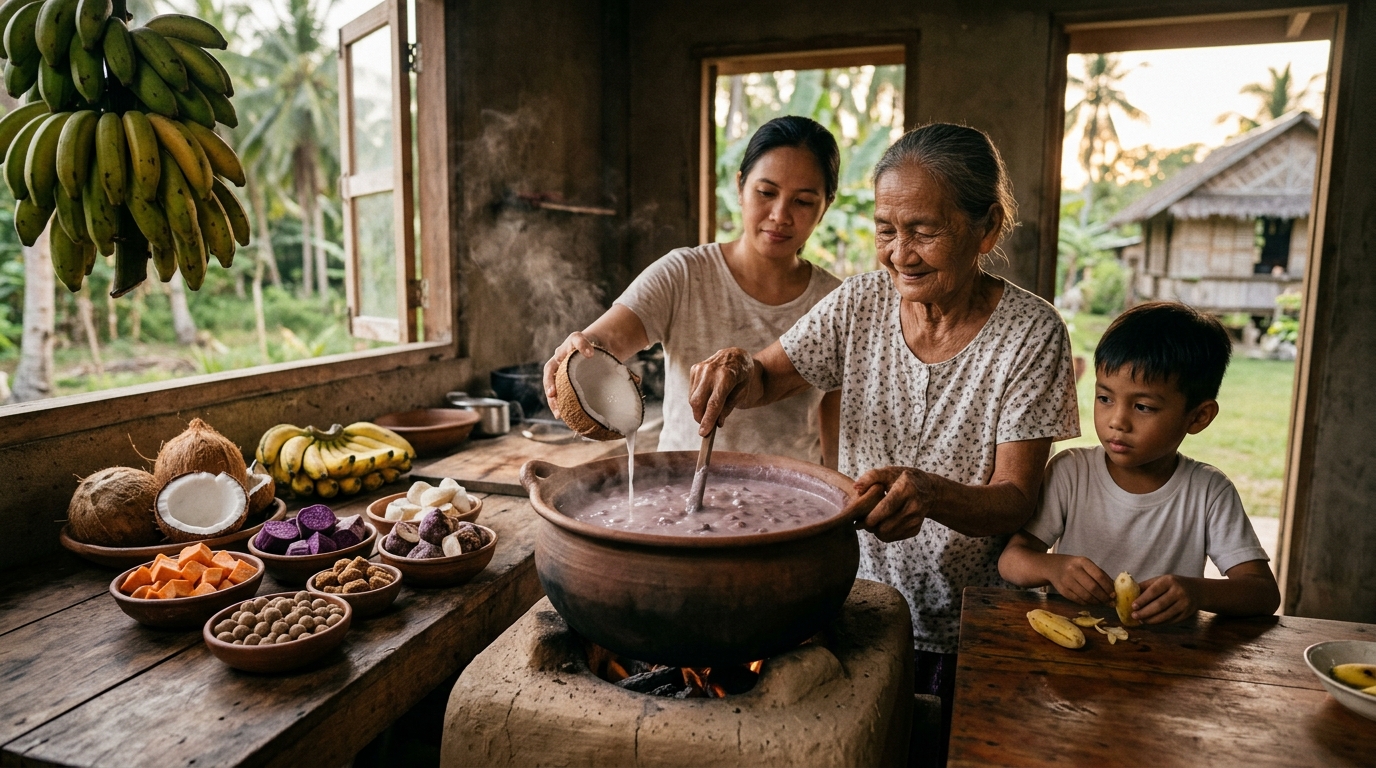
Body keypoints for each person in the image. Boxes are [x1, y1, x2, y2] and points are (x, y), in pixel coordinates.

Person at [688, 123, 1079, 765]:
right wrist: (734, 369)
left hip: (969, 622)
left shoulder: (1031, 335)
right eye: (886, 230)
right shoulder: (861, 302)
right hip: (859, 602)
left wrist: (928, 493)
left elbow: (1013, 500)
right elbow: (766, 378)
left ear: (986, 230)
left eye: (923, 231)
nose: (899, 254)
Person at [543, 116, 843, 464]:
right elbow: (605, 340)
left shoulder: (835, 303)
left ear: (826, 207)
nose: (780, 215)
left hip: (791, 502)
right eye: (766, 192)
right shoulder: (683, 274)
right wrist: (580, 349)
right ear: (740, 186)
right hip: (678, 489)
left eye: (803, 201)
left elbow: (835, 432)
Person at [998, 303, 1280, 622]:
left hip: (1167, 658)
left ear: (1199, 416)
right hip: (1076, 649)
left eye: (1143, 407)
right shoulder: (1071, 472)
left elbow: (1263, 593)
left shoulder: (1208, 492)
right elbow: (1011, 560)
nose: (1118, 421)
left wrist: (1197, 592)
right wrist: (1053, 568)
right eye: (1105, 398)